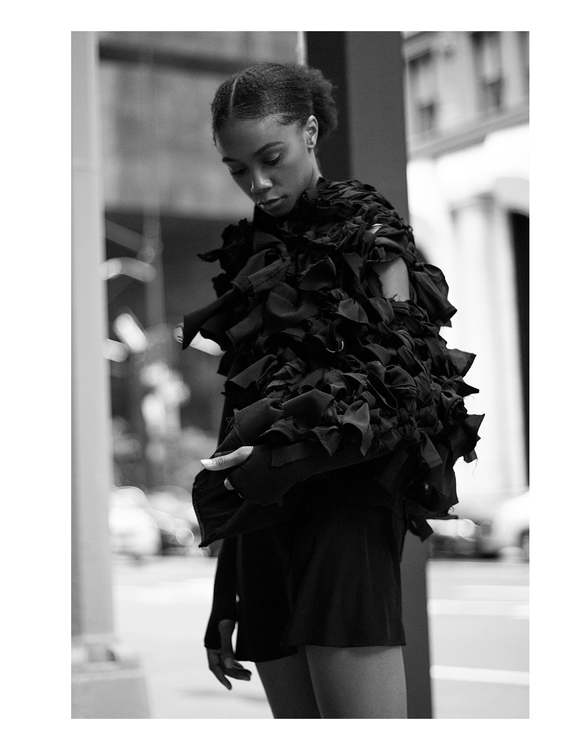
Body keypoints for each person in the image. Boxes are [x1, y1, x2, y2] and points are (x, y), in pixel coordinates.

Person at [178, 62, 484, 718]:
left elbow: (408, 395)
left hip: (346, 519)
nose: (258, 183)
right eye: (237, 168)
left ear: (310, 132)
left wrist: (282, 459)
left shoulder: (370, 234)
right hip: (264, 527)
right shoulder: (249, 254)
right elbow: (240, 422)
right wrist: (227, 590)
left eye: (272, 159)